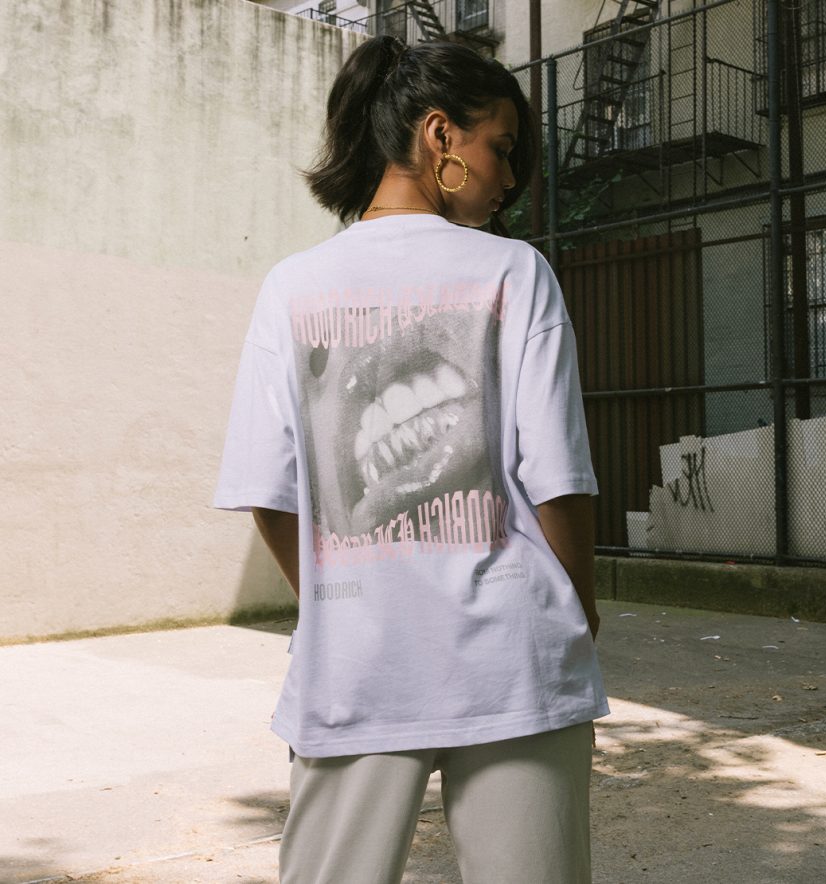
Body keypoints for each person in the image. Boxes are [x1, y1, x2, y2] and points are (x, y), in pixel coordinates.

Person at [212, 34, 609, 884]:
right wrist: (580, 609)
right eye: (501, 147)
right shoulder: (515, 271)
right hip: (513, 653)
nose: (509, 178)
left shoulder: (292, 286)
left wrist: (338, 605)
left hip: (355, 661)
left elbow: (267, 491)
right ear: (439, 135)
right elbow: (558, 477)